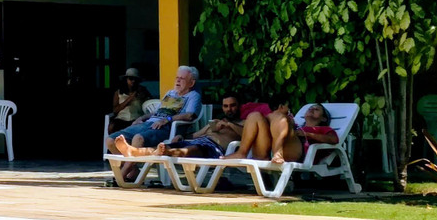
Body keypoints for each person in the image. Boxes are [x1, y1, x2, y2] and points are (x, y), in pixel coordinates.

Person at [113, 93, 245, 160]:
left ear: (239, 106)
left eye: (233, 105)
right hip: (198, 141)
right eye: (226, 106)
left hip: (213, 148)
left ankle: (157, 152)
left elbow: (245, 135)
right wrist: (182, 136)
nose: (229, 109)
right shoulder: (216, 123)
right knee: (170, 145)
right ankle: (134, 151)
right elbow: (195, 135)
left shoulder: (243, 123)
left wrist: (229, 125)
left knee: (190, 149)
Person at [108, 65, 201, 152]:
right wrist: (141, 118)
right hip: (149, 123)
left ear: (191, 83)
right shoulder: (170, 93)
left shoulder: (193, 95)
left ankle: (127, 168)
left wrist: (167, 119)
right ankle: (131, 169)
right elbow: (155, 112)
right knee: (111, 140)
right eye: (177, 77)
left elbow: (190, 115)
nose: (178, 81)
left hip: (165, 127)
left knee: (138, 139)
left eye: (182, 78)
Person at [239, 102, 334, 164]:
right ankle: (241, 153)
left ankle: (278, 154)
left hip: (296, 152)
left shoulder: (323, 129)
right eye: (310, 108)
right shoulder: (297, 125)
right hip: (267, 149)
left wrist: (308, 134)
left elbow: (333, 139)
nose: (311, 109)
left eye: (316, 109)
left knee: (279, 117)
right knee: (255, 116)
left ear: (323, 118)